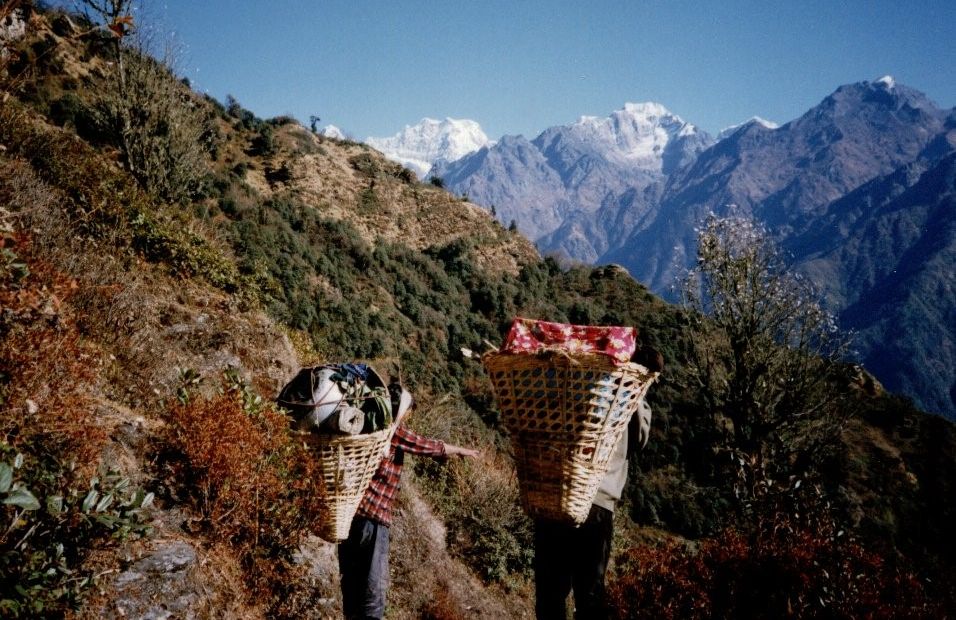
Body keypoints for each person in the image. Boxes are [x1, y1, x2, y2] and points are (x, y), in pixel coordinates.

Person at [533, 345, 663, 620]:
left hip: (556, 494)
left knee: (550, 592)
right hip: (598, 503)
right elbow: (640, 439)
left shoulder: (579, 381)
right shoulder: (630, 394)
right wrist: (639, 391)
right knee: (590, 594)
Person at [338, 385, 479, 620]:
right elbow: (429, 446)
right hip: (374, 522)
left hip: (350, 519)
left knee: (351, 585)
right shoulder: (394, 433)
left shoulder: (365, 426)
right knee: (373, 593)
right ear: (403, 412)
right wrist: (462, 450)